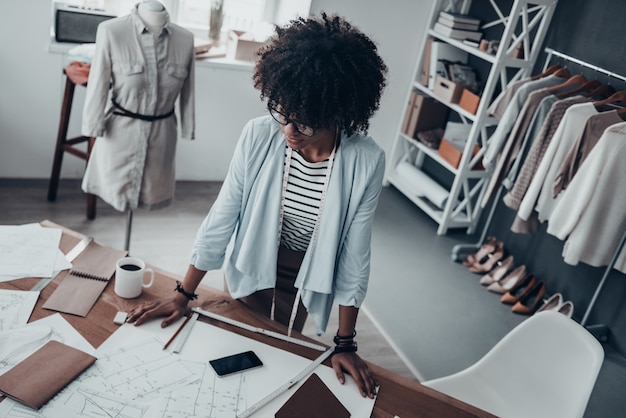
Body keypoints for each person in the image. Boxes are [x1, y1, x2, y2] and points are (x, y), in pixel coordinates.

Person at [127, 12, 388, 399]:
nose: (288, 130)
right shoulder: (259, 135)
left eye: (302, 123)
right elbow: (223, 217)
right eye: (281, 113)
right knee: (235, 357)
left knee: (277, 363)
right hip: (253, 262)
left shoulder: (365, 161)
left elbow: (354, 256)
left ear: (336, 112)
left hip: (307, 277)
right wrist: (184, 293)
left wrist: (345, 342)